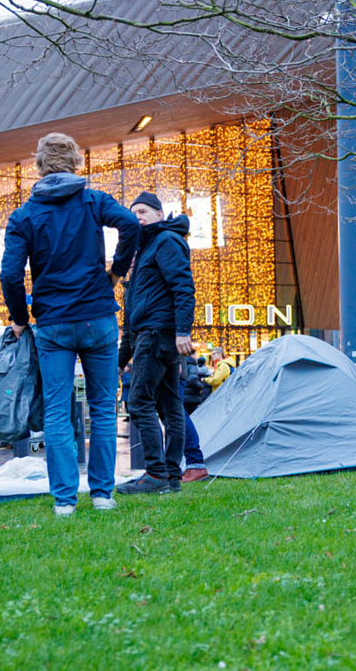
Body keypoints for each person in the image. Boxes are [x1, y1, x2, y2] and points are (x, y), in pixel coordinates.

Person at [0, 132, 140, 516]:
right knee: (103, 408)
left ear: (39, 165)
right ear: (76, 162)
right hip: (97, 316)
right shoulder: (93, 200)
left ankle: (64, 501)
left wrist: (19, 318)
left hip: (53, 323)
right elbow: (130, 224)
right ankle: (102, 495)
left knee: (58, 411)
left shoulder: (24, 215)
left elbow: (11, 274)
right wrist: (115, 272)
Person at [116, 191, 196, 495]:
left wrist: (182, 331)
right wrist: (120, 361)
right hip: (149, 333)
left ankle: (155, 473)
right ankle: (171, 476)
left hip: (158, 333)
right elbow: (132, 313)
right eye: (133, 211)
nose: (137, 216)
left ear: (159, 215)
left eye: (144, 211)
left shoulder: (165, 241)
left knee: (138, 401)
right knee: (170, 406)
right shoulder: (144, 249)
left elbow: (183, 287)